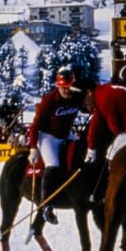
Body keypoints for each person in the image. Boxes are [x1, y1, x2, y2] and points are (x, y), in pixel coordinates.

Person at [28, 65, 86, 224]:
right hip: (48, 136)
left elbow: (87, 107)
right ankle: (46, 204)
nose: (66, 91)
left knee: (86, 151)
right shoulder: (49, 100)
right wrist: (33, 147)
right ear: (58, 86)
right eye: (63, 88)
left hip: (66, 134)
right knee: (53, 165)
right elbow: (34, 126)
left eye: (69, 87)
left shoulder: (77, 96)